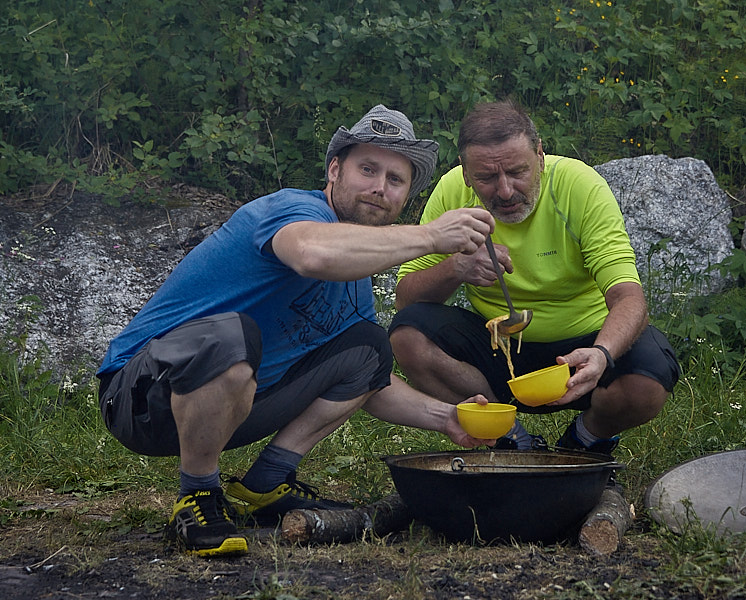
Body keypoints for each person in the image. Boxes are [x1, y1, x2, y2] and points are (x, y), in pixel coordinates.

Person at [96, 105, 497, 558]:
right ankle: (199, 496)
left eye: (395, 179)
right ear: (334, 170)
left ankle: (265, 484)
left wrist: (448, 418)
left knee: (369, 348)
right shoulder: (293, 209)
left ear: (404, 195)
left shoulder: (356, 275)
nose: (379, 188)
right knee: (231, 335)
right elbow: (310, 254)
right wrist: (430, 237)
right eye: (367, 169)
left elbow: (371, 383)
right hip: (141, 396)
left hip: (234, 404)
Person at [389, 100, 681, 468]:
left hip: (581, 348)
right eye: (487, 178)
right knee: (408, 334)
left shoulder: (579, 185)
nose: (506, 191)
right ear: (465, 174)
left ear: (540, 157)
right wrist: (456, 268)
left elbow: (629, 297)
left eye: (517, 171)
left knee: (649, 377)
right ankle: (508, 435)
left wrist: (603, 353)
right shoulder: (451, 195)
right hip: (498, 345)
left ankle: (585, 439)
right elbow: (405, 299)